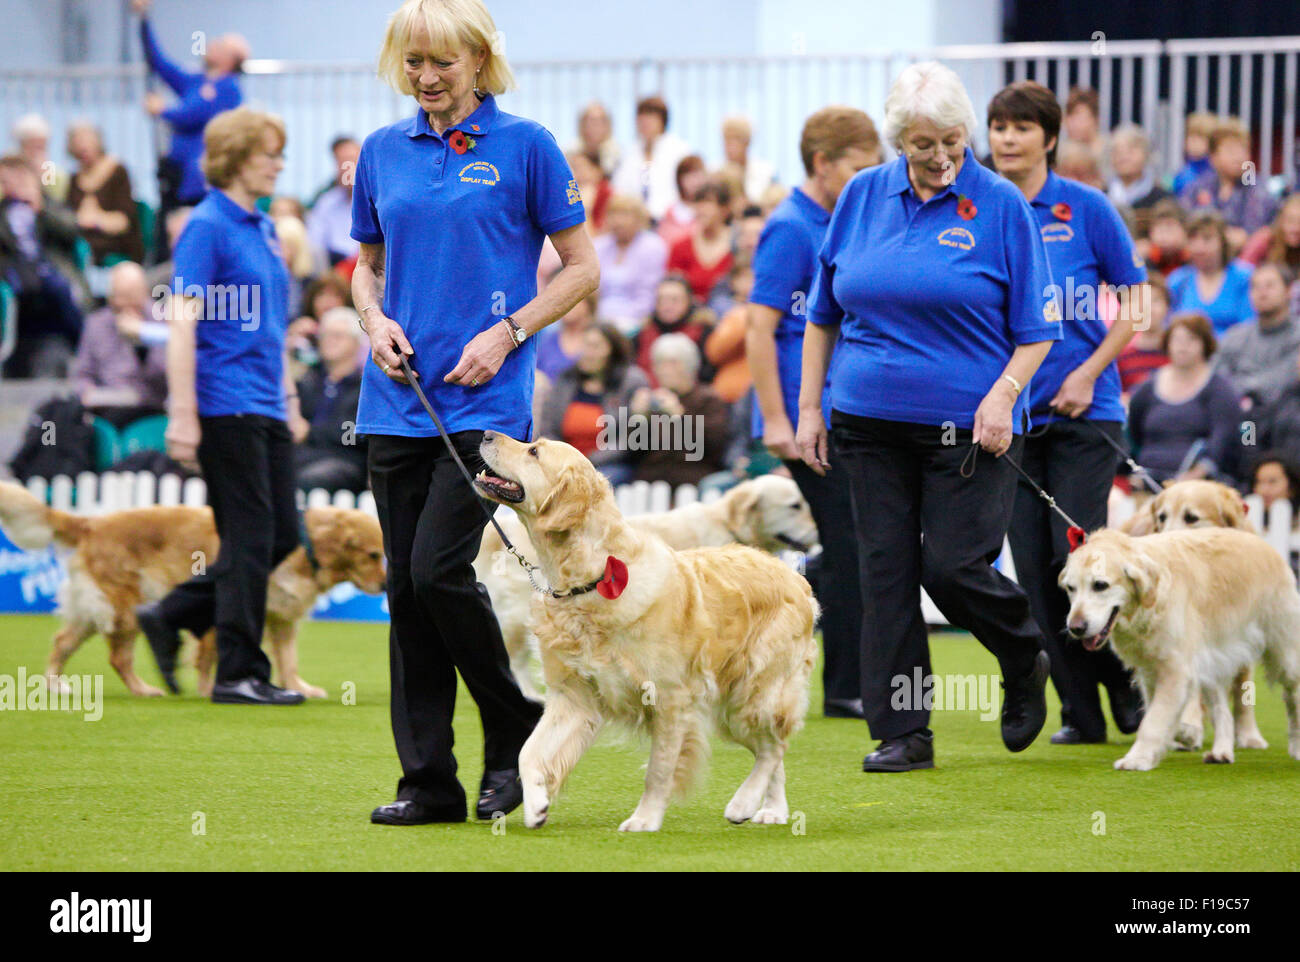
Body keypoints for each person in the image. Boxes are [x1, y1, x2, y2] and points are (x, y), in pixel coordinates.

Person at [351, 0, 598, 826]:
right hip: (394, 401)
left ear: (480, 62)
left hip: (484, 408)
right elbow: (366, 268)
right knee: (405, 592)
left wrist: (508, 331)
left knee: (437, 572)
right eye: (413, 63)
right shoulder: (382, 152)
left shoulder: (526, 145)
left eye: (442, 63)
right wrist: (373, 320)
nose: (426, 78)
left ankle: (512, 733)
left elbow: (581, 268)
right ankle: (428, 782)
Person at [797, 62, 1060, 771]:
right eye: (922, 144)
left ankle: (1020, 651)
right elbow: (822, 315)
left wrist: (1002, 394)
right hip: (865, 420)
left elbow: (1039, 329)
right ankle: (904, 733)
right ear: (896, 142)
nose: (941, 157)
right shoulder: (859, 196)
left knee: (950, 568)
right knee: (883, 573)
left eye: (951, 140)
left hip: (969, 428)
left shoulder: (1001, 205)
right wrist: (807, 410)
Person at [988, 81, 1148, 746]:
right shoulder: (980, 211)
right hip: (1014, 422)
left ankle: (1133, 694)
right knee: (1036, 575)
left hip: (1086, 414)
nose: (1006, 139)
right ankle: (1083, 716)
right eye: (998, 127)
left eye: (1021, 127)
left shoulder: (1087, 209)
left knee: (1076, 558)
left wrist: (1088, 372)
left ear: (1049, 138)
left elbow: (1136, 306)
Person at [134, 107, 306, 707]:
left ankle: (170, 612)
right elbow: (181, 325)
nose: (279, 164)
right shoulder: (205, 226)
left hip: (264, 402)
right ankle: (238, 672)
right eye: (269, 154)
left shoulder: (261, 227)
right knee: (252, 535)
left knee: (282, 532)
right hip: (223, 403)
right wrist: (182, 414)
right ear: (235, 158)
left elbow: (276, 327)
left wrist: (288, 398)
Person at [747, 104, 880, 721]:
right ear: (822, 162)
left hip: (837, 413)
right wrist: (776, 421)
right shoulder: (791, 226)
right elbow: (759, 326)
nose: (867, 178)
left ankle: (797, 615)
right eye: (858, 166)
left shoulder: (838, 218)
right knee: (851, 541)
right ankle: (844, 686)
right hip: (804, 423)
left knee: (853, 541)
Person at [133, 0, 247, 257]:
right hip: (177, 176)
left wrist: (162, 109)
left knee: (191, 238)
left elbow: (193, 115)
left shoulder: (229, 89)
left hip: (199, 182)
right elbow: (160, 64)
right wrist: (143, 20)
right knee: (167, 237)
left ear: (230, 59)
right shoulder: (197, 81)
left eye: (218, 44)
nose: (211, 46)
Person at [1128, 312, 1243, 484]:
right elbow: (1133, 433)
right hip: (1148, 478)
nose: (1183, 346)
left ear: (1205, 344)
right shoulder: (1147, 388)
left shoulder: (1220, 389)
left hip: (1198, 483)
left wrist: (1197, 473)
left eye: (1191, 339)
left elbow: (1223, 440)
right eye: (1177, 339)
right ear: (1167, 343)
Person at [0, 154, 85, 378]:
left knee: (59, 288)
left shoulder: (46, 204)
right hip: (14, 272)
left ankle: (83, 345)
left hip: (47, 270)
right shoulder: (3, 211)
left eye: (19, 179)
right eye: (7, 180)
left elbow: (72, 229)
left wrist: (41, 206)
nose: (14, 186)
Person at [536, 322, 648, 486]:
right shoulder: (566, 380)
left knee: (593, 483)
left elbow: (630, 439)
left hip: (610, 465)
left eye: (595, 346)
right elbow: (548, 428)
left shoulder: (631, 382)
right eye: (585, 345)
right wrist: (565, 459)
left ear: (613, 351)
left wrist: (587, 461)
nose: (588, 353)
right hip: (565, 464)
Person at [630, 333, 730, 487]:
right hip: (650, 481)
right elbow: (633, 452)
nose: (665, 370)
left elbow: (712, 448)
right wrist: (638, 419)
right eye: (659, 363)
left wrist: (679, 416)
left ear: (690, 365)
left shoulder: (708, 399)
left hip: (693, 478)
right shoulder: (653, 401)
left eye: (673, 363)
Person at [72, 261, 168, 420]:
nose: (127, 305)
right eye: (121, 297)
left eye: (133, 296)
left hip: (151, 406)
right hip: (108, 406)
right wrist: (88, 393)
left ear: (145, 293)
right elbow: (82, 374)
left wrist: (142, 343)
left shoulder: (161, 320)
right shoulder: (96, 324)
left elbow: (167, 376)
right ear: (111, 297)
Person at [292, 307, 368, 493]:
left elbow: (351, 438)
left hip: (345, 460)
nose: (329, 341)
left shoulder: (364, 388)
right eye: (325, 335)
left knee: (307, 477)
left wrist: (310, 432)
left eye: (338, 335)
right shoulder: (308, 381)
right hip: (305, 455)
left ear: (356, 343)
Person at [1179, 117, 1278, 248]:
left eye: (1243, 150)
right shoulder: (1198, 186)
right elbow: (1184, 226)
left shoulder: (1256, 188)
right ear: (1213, 156)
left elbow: (1249, 235)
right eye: (1231, 151)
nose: (1239, 157)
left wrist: (1210, 237)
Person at [1215, 263, 1300, 411]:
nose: (1262, 292)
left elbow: (1284, 381)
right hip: (1242, 415)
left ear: (1289, 291)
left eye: (1270, 286)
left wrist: (1243, 387)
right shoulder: (1235, 336)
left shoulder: (1297, 335)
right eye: (1256, 287)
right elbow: (1216, 377)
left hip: (1287, 418)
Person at [65, 122, 146, 266]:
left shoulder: (117, 171)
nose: (83, 148)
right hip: (82, 246)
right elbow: (68, 214)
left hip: (115, 246)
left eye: (87, 141)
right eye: (78, 143)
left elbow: (124, 220)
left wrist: (95, 220)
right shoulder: (74, 179)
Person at [1167, 210, 1254, 335]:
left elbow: (1249, 328)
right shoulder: (1177, 280)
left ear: (1222, 242)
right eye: (1193, 239)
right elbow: (1167, 327)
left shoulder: (1244, 278)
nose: (1199, 247)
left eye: (1207, 239)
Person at [593, 194, 666, 335]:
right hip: (599, 319)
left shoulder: (653, 246)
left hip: (636, 320)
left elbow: (648, 294)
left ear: (639, 219)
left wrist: (626, 321)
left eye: (625, 215)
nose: (618, 221)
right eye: (613, 215)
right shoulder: (599, 246)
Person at [611, 96, 692, 222]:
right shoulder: (629, 153)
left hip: (670, 219)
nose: (645, 123)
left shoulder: (679, 150)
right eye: (641, 118)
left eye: (650, 117)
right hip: (636, 223)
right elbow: (619, 189)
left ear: (662, 121)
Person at [634, 274, 714, 386]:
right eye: (662, 300)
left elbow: (707, 375)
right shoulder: (643, 332)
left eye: (675, 300)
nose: (668, 306)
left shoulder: (703, 332)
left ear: (689, 301)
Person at [666, 177, 734, 303]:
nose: (701, 209)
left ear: (725, 210)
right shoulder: (680, 247)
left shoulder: (738, 245)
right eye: (698, 203)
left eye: (708, 202)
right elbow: (671, 289)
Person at [307, 135, 363, 266]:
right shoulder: (327, 202)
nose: (347, 168)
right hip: (332, 270)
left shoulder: (379, 201)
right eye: (342, 162)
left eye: (352, 161)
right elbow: (314, 244)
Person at [1106, 124, 1170, 237]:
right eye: (1117, 151)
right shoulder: (1102, 195)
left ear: (1146, 154)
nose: (1123, 156)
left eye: (1131, 150)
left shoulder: (1161, 198)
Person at [1117, 272, 1170, 398]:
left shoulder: (1177, 354)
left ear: (1167, 306)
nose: (1149, 309)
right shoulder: (1122, 358)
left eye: (1156, 301)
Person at [11, 114, 69, 203]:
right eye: (31, 144)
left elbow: (58, 202)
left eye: (41, 146)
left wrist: (42, 178)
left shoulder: (55, 173)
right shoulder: (8, 168)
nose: (36, 151)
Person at [721, 115, 776, 205]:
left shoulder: (766, 172)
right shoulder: (717, 173)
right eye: (727, 140)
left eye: (736, 139)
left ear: (747, 142)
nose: (730, 147)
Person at [569, 101, 621, 178]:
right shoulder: (571, 152)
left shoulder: (617, 155)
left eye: (601, 121)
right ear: (582, 125)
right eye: (592, 121)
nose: (596, 126)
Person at [1171, 111, 1216, 195]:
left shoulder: (1216, 172)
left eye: (1200, 138)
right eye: (1190, 137)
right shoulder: (1182, 172)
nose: (1193, 142)